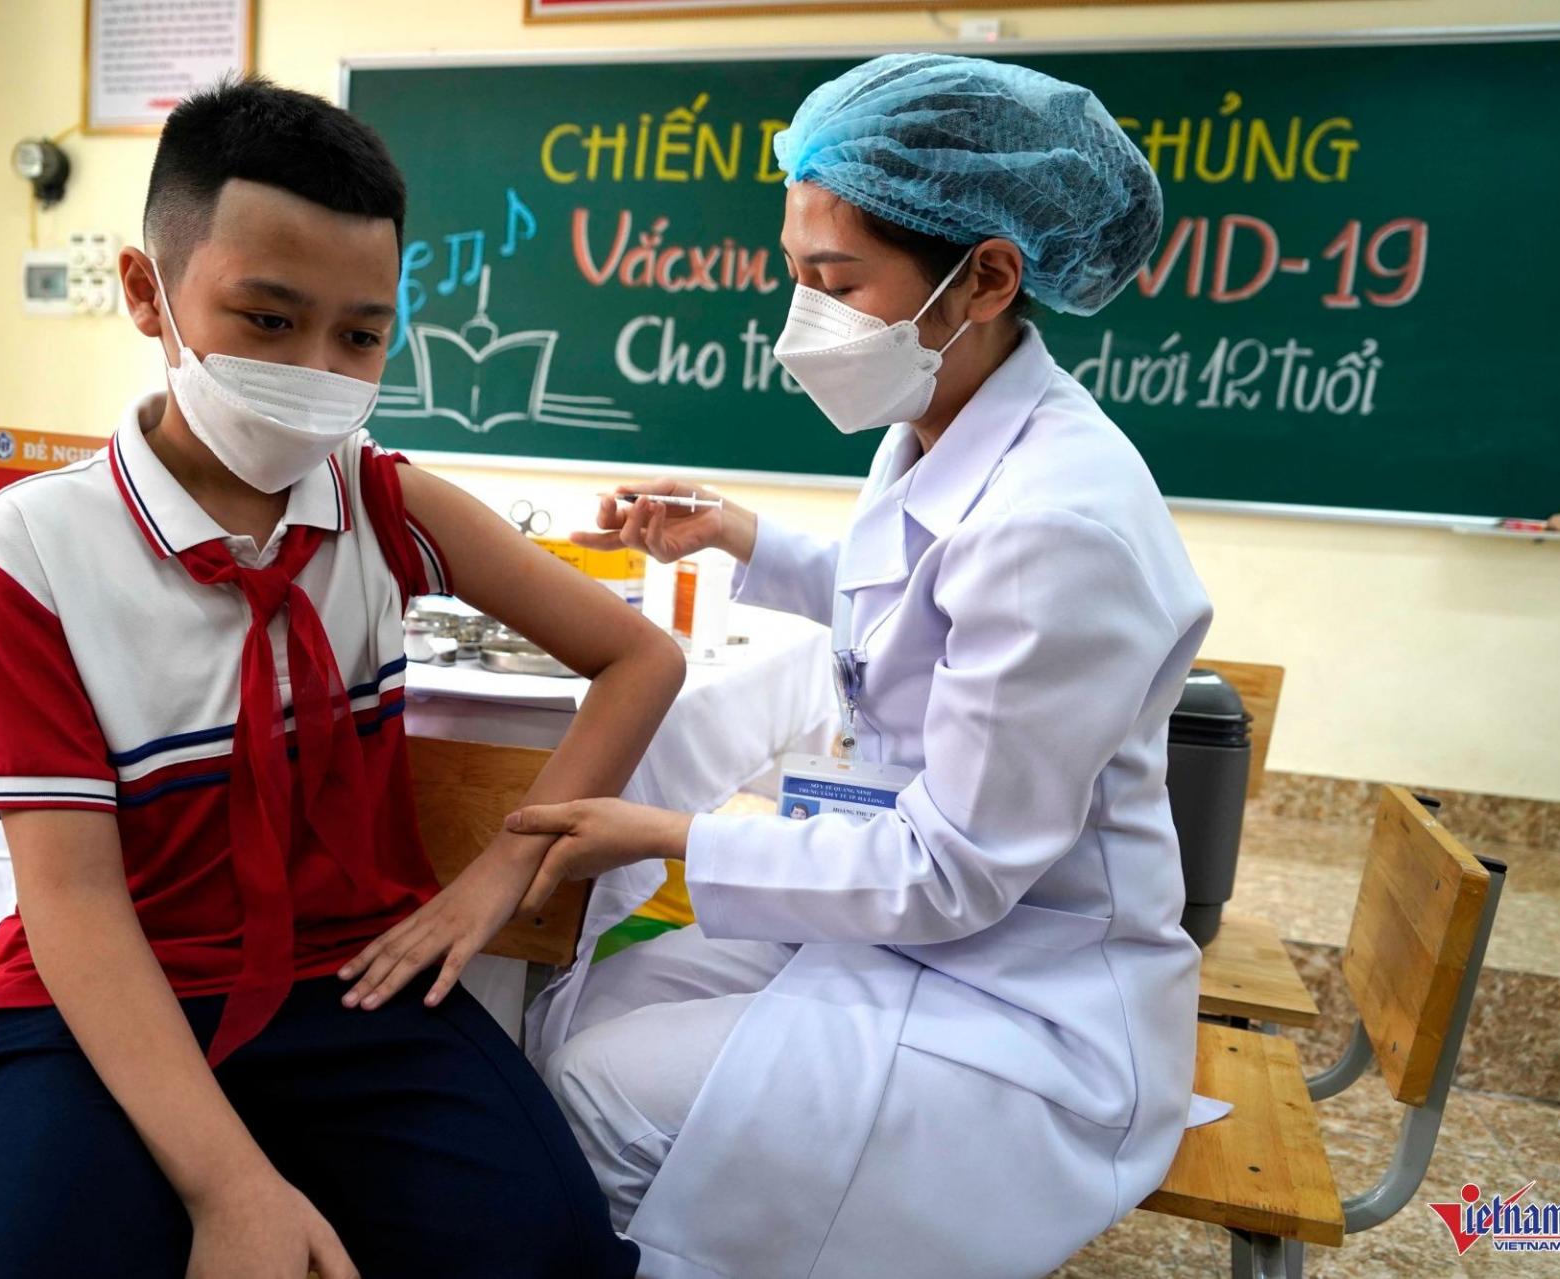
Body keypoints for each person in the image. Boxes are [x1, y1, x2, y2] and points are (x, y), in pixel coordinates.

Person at [0, 78, 676, 1279]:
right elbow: (77, 903)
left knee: (549, 1250)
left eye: (360, 336)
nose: (317, 368)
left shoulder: (381, 501)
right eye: (267, 319)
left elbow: (640, 655)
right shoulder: (32, 548)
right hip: (105, 999)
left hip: (351, 985)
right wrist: (233, 1187)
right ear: (147, 291)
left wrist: (499, 874)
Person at [478, 54, 1214, 1278]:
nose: (802, 316)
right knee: (578, 1012)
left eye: (835, 281)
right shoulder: (947, 423)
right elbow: (915, 603)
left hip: (1025, 994)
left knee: (599, 1087)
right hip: (924, 925)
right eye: (796, 273)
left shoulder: (1058, 523)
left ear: (988, 278)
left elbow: (951, 869)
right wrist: (733, 535)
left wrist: (670, 836)